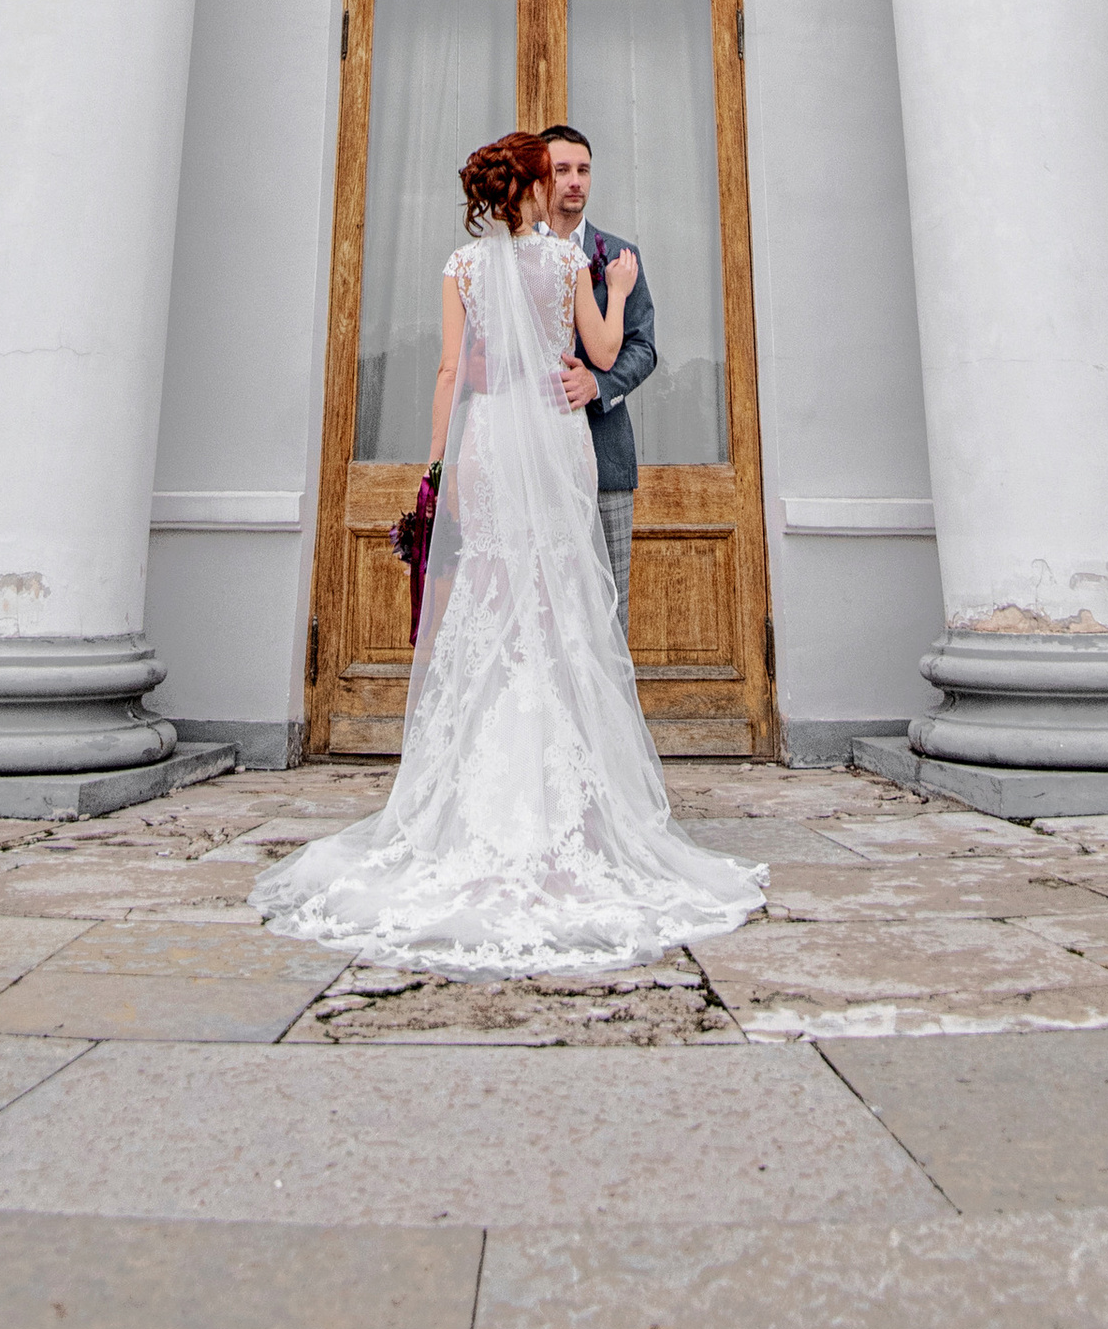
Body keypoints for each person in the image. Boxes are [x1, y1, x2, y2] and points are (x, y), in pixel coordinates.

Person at [253, 128, 762, 976]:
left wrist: (439, 468)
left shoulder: (460, 268)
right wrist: (621, 285)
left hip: (489, 443)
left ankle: (466, 800)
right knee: (559, 598)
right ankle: (577, 812)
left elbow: (451, 373)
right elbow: (598, 351)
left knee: (490, 596)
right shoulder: (569, 265)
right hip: (554, 442)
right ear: (530, 186)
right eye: (550, 173)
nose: (563, 184)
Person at [543, 122, 654, 627]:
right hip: (535, 455)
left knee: (610, 611)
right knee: (543, 605)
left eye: (583, 170)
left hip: (605, 455)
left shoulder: (619, 256)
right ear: (540, 177)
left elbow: (643, 347)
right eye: (562, 169)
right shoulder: (515, 253)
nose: (574, 181)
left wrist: (598, 385)